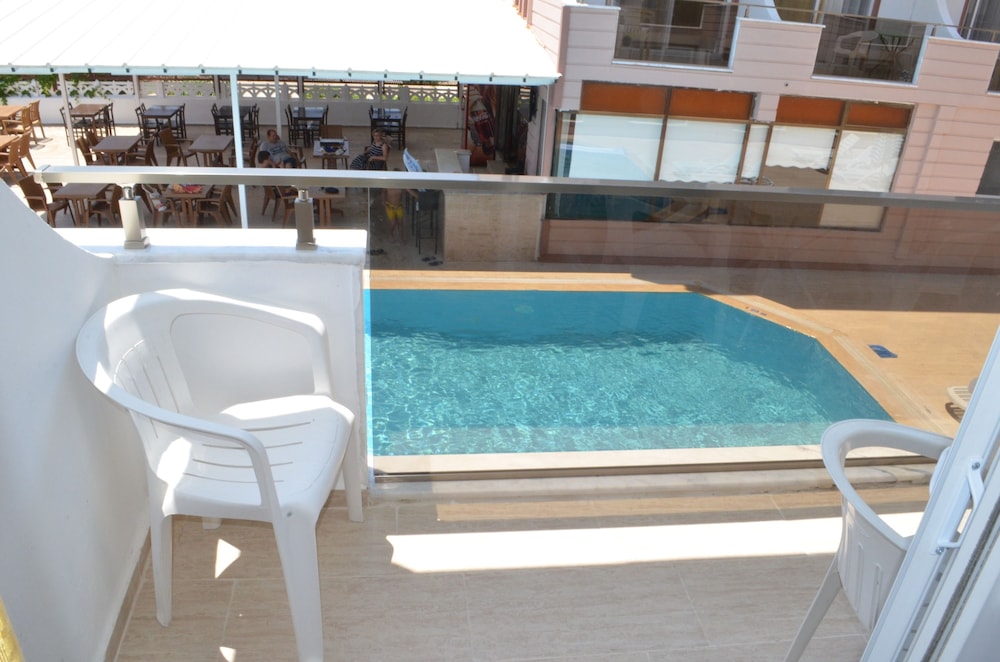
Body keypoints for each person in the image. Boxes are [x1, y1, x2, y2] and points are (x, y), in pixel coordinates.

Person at [383, 169, 405, 242]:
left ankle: (401, 238)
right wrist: (383, 202)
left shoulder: (401, 185)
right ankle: (391, 234)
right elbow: (383, 192)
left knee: (400, 223)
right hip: (389, 206)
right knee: (393, 223)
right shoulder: (388, 184)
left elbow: (408, 191)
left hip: (399, 206)